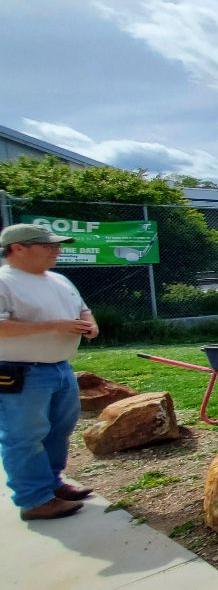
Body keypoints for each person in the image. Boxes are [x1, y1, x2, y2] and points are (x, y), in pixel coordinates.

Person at [0, 223, 99, 520]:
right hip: (20, 372)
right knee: (24, 435)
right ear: (18, 248)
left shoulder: (58, 279)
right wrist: (54, 326)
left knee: (59, 430)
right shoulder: (5, 281)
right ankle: (34, 500)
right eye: (48, 246)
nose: (57, 250)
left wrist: (89, 323)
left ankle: (53, 485)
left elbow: (82, 308)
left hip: (60, 368)